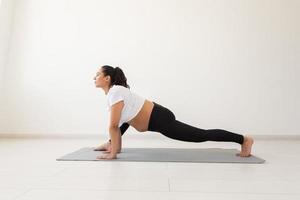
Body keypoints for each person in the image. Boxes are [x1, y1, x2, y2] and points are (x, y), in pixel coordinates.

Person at [93, 65, 254, 160]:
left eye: (98, 74)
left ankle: (243, 140)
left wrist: (113, 155)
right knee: (125, 119)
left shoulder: (115, 92)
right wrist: (114, 146)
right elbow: (122, 121)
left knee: (200, 135)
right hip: (157, 116)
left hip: (160, 119)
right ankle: (110, 143)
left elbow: (113, 126)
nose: (94, 77)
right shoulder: (115, 92)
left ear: (107, 78)